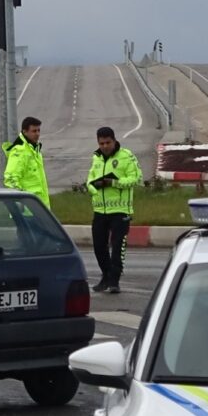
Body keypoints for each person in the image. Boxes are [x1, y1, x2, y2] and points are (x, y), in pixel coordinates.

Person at [86, 126, 141, 294]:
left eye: (107, 142)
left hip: (120, 210)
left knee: (117, 247)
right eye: (101, 143)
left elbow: (136, 178)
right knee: (98, 247)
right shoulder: (96, 158)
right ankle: (106, 276)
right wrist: (93, 186)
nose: (104, 146)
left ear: (114, 140)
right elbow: (90, 179)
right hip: (100, 210)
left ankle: (114, 280)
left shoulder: (126, 156)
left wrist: (113, 183)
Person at [2, 116, 50, 209]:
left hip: (38, 207)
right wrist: (21, 202)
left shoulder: (34, 150)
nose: (37, 134)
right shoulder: (20, 151)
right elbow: (11, 179)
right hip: (26, 211)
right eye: (34, 131)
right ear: (24, 132)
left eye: (38, 130)